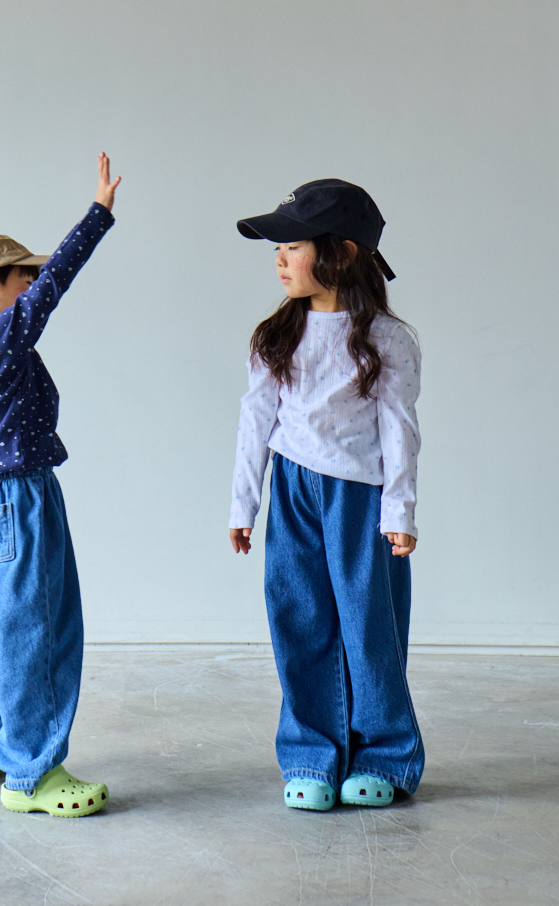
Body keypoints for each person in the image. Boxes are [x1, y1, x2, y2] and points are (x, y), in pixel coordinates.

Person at [0, 152, 120, 817]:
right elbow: (59, 278)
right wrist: (98, 214)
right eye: (20, 278)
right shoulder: (4, 341)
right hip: (18, 496)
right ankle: (34, 773)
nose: (32, 285)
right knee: (35, 629)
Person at [230, 178, 424, 811]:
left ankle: (384, 756)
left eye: (293, 245)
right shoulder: (275, 335)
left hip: (360, 499)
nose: (279, 259)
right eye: (277, 247)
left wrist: (399, 511)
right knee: (300, 618)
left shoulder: (387, 340)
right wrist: (244, 505)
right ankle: (311, 756)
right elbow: (255, 422)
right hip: (293, 493)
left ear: (341, 253)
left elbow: (399, 430)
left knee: (369, 628)